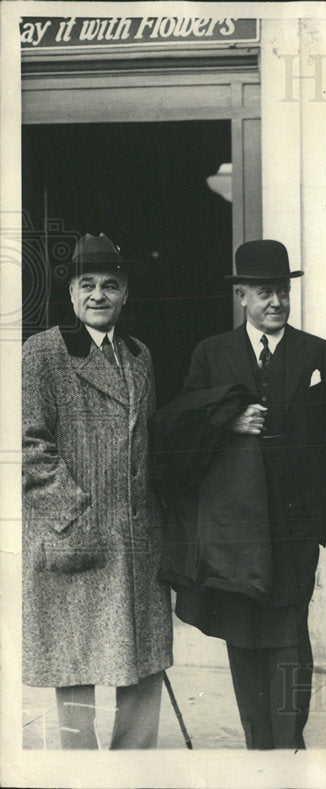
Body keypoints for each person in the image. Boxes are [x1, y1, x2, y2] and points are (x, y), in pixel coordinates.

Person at [158, 239, 326, 749]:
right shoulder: (212, 354)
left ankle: (289, 739)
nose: (275, 302)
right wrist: (227, 419)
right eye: (263, 292)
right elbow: (181, 424)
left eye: (282, 291)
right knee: (243, 632)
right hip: (235, 526)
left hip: (295, 523)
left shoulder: (316, 352)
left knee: (288, 633)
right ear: (242, 297)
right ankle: (258, 744)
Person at [22, 232, 173, 749]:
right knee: (77, 666)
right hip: (78, 535)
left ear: (125, 293)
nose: (99, 295)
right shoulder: (42, 354)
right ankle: (79, 777)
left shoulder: (138, 354)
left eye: (111, 285)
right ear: (70, 294)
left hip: (137, 538)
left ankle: (136, 772)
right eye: (87, 285)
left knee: (144, 664)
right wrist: (75, 516)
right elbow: (27, 446)